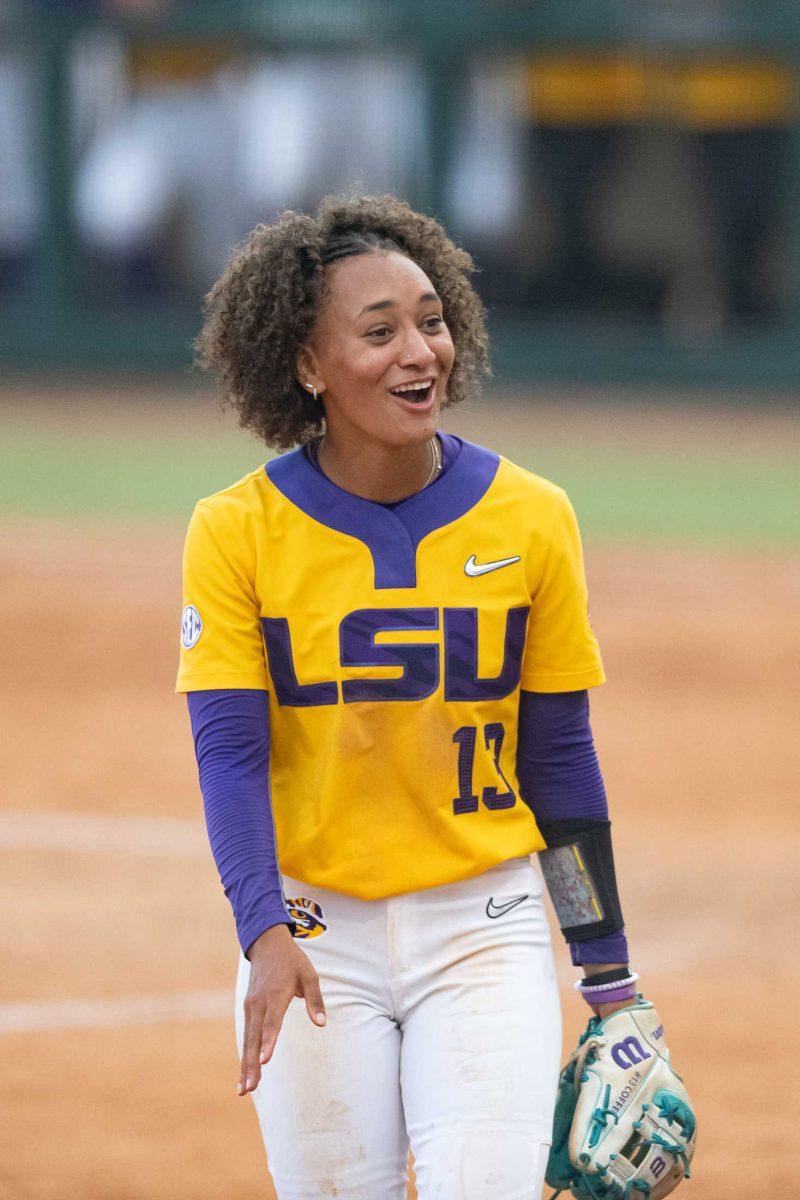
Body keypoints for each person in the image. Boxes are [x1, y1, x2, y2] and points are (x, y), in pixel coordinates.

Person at [177, 193, 637, 1200]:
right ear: (306, 367)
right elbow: (229, 756)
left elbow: (558, 762)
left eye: (429, 321)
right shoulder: (234, 531)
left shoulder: (532, 516)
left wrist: (609, 979)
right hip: (308, 931)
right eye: (376, 332)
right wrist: (264, 934)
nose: (416, 352)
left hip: (485, 924)